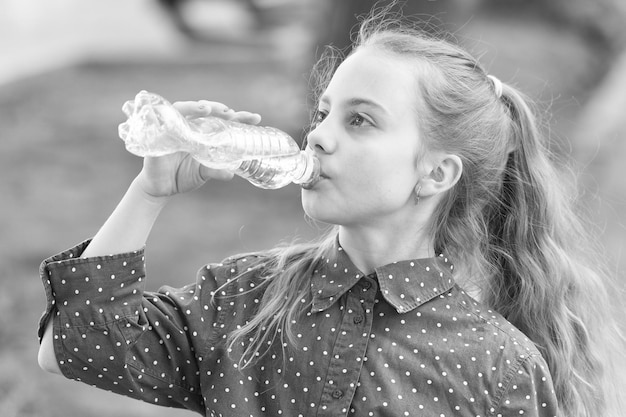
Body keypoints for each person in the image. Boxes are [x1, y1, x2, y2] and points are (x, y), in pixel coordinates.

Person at [38, 6, 624, 417]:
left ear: (436, 173)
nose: (317, 136)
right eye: (322, 113)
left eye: (359, 120)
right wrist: (149, 190)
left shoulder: (495, 366)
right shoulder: (247, 299)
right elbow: (72, 344)